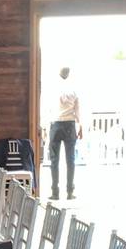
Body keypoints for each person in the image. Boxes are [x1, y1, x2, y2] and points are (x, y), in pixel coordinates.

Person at [47, 67, 81, 200]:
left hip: (55, 124)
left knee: (54, 160)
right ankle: (70, 192)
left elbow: (48, 109)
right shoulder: (74, 88)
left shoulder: (53, 88)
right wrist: (80, 125)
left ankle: (55, 192)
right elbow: (78, 110)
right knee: (70, 159)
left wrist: (45, 127)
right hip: (70, 124)